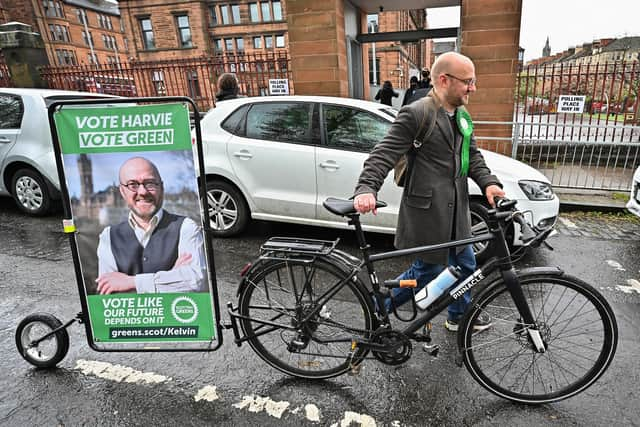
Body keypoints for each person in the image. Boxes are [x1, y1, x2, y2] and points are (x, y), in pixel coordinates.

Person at [353, 52, 505, 332]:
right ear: (444, 80)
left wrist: (488, 183)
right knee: (429, 271)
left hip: (458, 211)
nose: (474, 88)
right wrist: (366, 188)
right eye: (468, 82)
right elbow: (383, 154)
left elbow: (470, 155)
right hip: (428, 211)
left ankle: (459, 315)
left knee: (466, 263)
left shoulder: (461, 114)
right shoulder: (418, 113)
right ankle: (379, 310)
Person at [96, 156, 207, 295]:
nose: (142, 192)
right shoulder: (108, 236)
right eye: (133, 185)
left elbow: (196, 282)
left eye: (150, 183)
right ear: (122, 192)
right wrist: (172, 277)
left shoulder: (186, 227)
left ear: (162, 187)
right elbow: (109, 292)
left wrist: (131, 283)